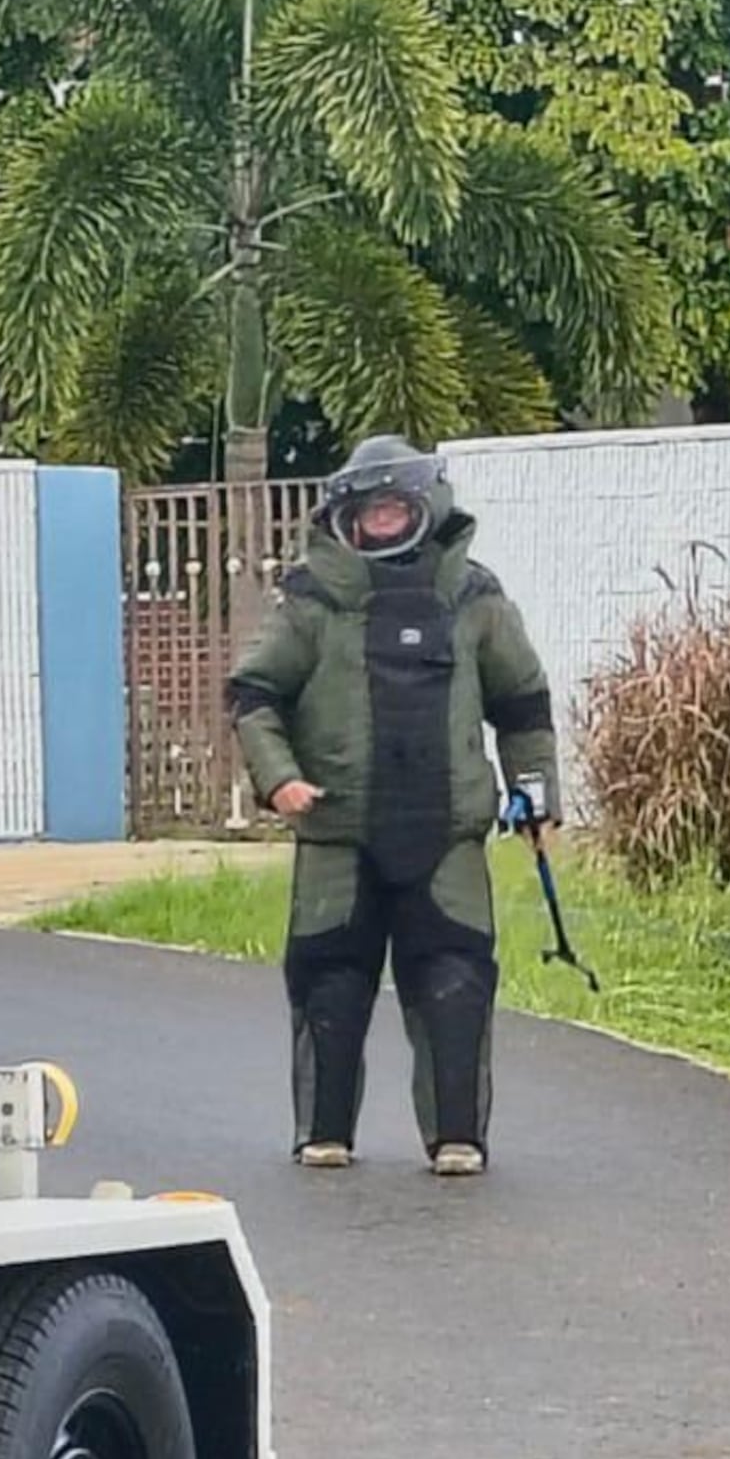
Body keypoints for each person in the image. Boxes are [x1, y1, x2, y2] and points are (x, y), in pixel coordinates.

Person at [226, 434, 560, 1176]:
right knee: (330, 983)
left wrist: (535, 796)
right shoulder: (310, 599)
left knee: (456, 982)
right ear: (344, 515)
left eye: (393, 508)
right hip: (336, 833)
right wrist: (278, 779)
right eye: (367, 510)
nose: (380, 522)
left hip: (448, 835)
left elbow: (523, 704)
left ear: (423, 507)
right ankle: (325, 1132)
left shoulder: (475, 597)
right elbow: (254, 695)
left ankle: (457, 1138)